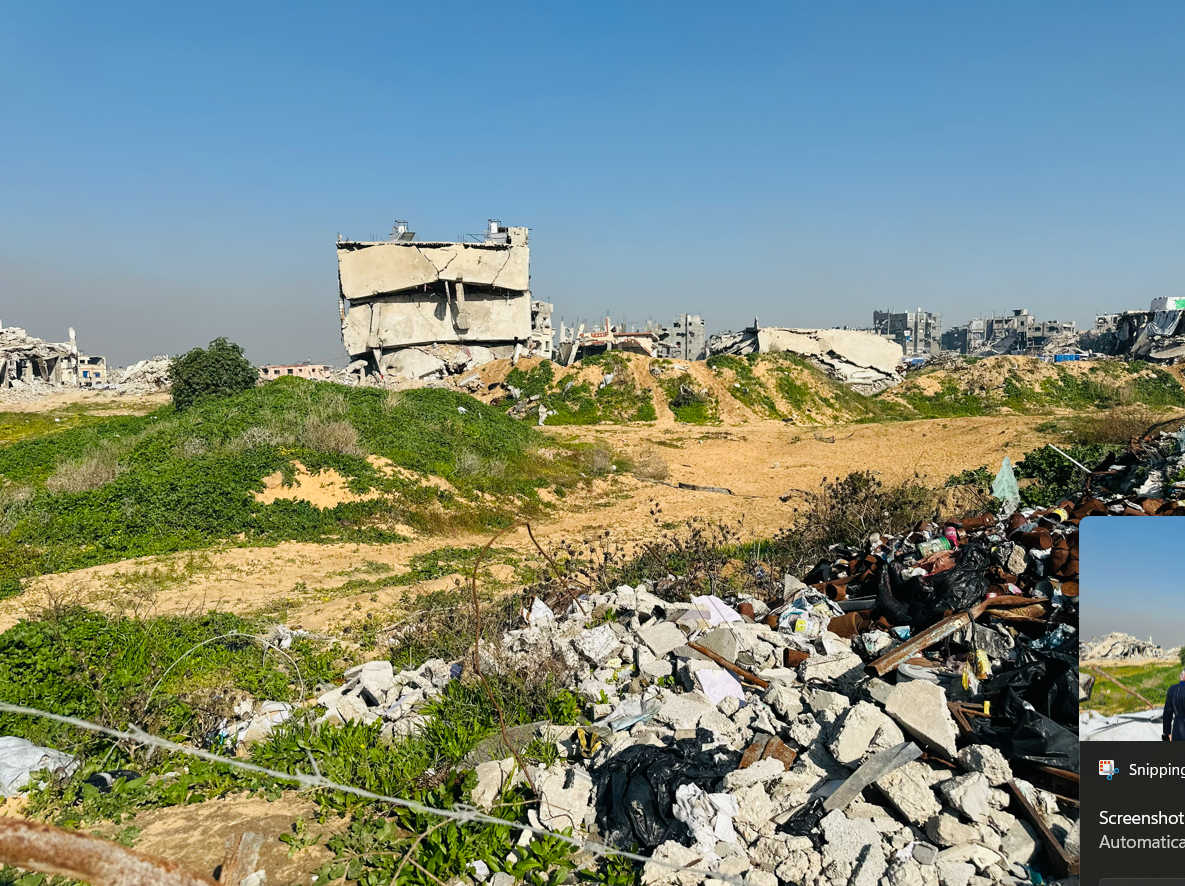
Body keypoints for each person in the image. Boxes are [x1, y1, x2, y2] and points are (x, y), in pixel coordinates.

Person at [1163, 670, 1185, 741]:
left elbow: (1167, 715)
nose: (1179, 676)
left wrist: (1167, 734)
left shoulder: (1172, 690)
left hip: (1177, 731)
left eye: (1181, 674)